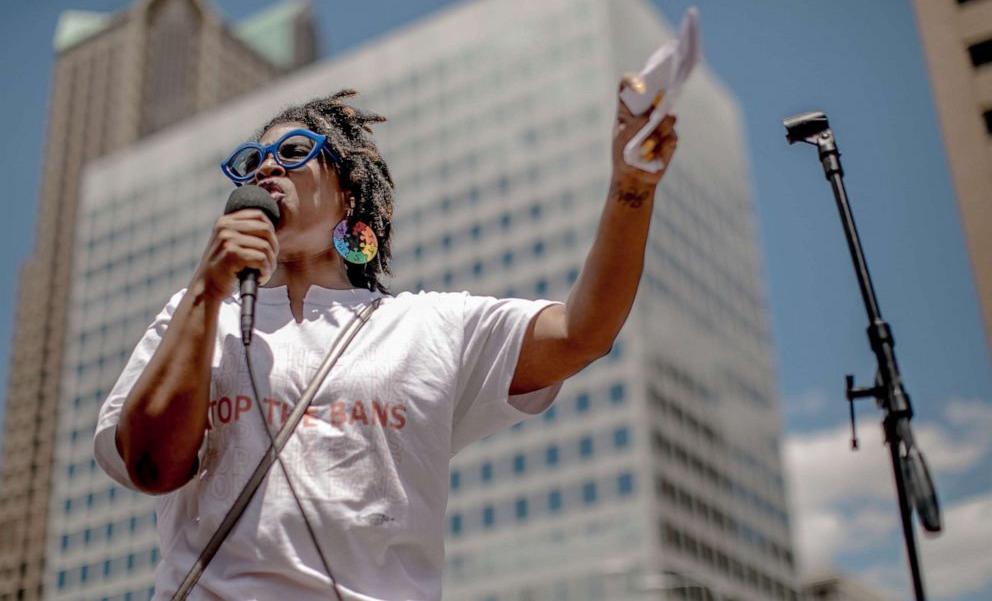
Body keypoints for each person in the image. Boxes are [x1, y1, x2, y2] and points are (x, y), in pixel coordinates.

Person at [95, 82, 678, 600]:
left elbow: (583, 333)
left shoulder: (430, 326)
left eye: (294, 152)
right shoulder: (196, 315)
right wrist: (205, 289)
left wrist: (631, 188)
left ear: (350, 194)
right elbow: (151, 467)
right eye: (252, 162)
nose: (266, 170)